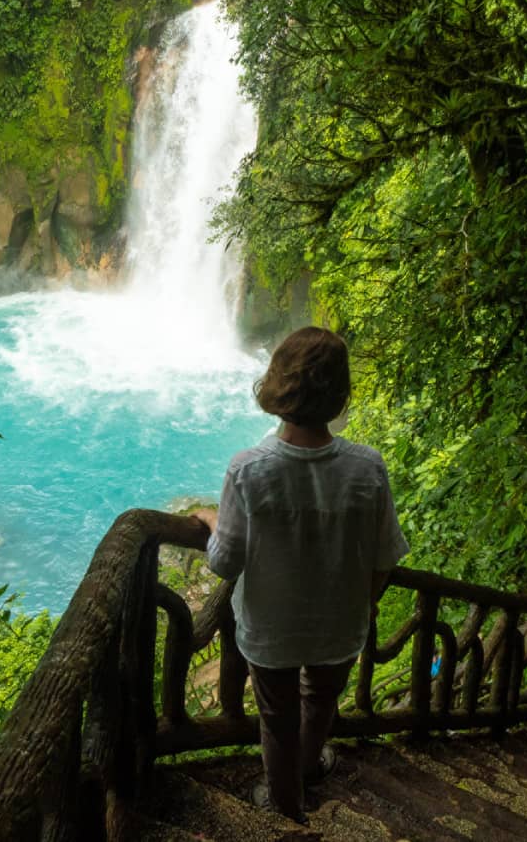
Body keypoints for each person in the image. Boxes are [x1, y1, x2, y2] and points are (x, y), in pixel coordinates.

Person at [191, 326, 408, 823]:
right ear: (340, 394)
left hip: (272, 629)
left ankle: (285, 805)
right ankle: (309, 767)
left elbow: (224, 561)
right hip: (340, 625)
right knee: (320, 701)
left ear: (276, 386)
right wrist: (366, 603)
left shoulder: (249, 470)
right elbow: (385, 557)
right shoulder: (366, 468)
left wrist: (209, 522)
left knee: (277, 717)